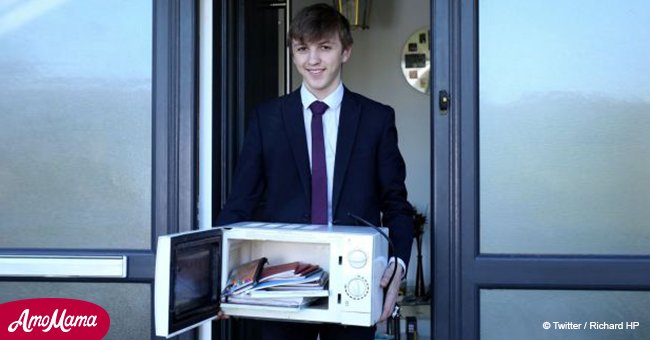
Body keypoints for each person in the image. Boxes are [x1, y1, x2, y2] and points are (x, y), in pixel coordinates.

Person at [216, 3, 414, 339]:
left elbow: (396, 204)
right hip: (280, 284)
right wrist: (217, 277)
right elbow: (240, 203)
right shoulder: (266, 119)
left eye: (325, 47)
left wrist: (397, 265)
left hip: (357, 279)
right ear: (293, 53)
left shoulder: (377, 119)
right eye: (303, 48)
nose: (313, 60)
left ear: (346, 51)